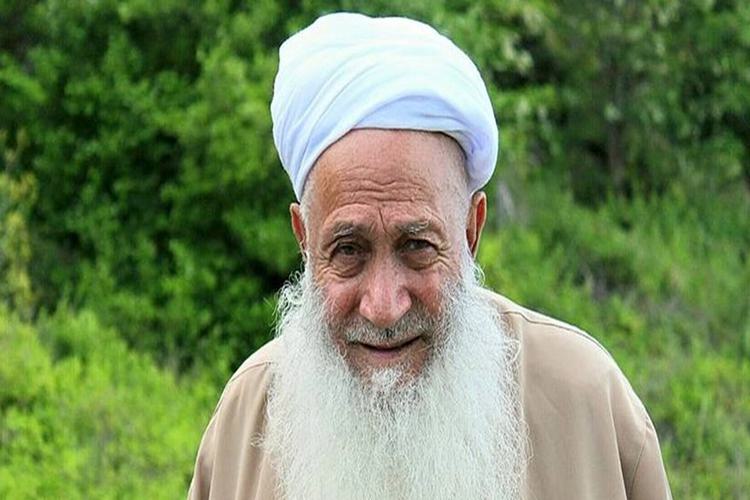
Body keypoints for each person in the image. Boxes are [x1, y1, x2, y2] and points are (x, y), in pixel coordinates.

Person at [188, 12, 672, 500]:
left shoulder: (586, 404)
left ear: (471, 230)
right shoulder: (243, 424)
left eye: (416, 246)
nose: (383, 306)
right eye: (348, 250)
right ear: (305, 240)